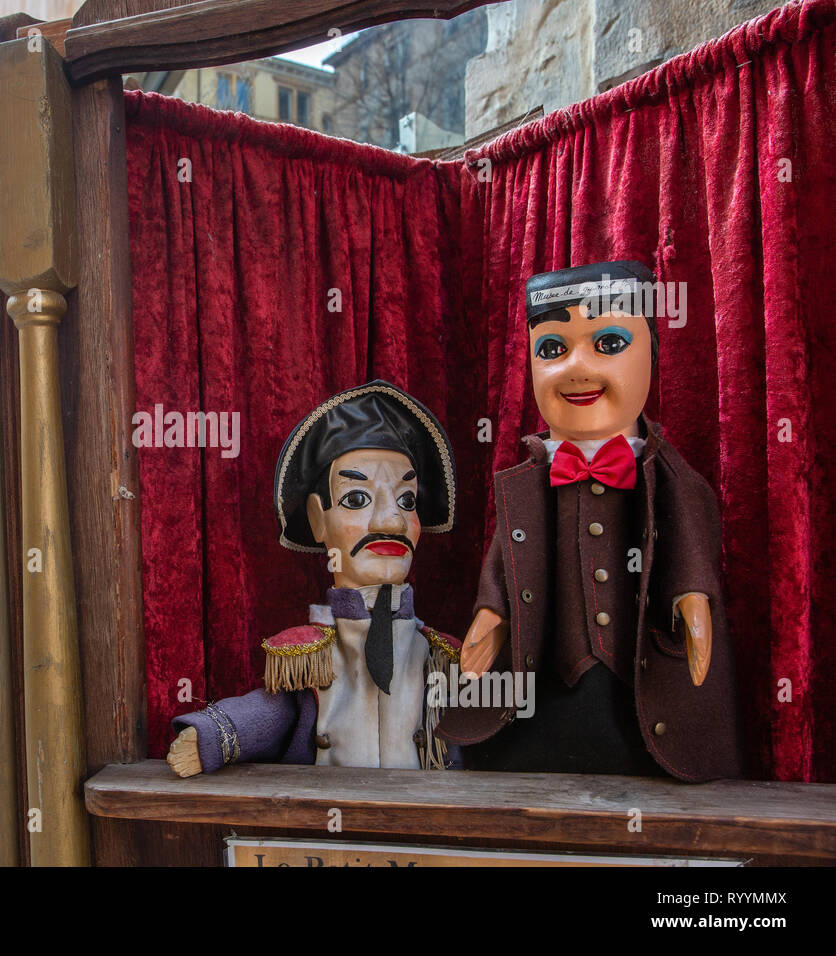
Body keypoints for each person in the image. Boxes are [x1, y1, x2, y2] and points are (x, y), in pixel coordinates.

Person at [439, 260, 744, 781]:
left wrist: (692, 597)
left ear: (650, 352)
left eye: (608, 343)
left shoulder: (664, 472)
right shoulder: (528, 478)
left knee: (633, 737)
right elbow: (506, 555)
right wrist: (492, 613)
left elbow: (690, 533)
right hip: (546, 674)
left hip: (638, 676)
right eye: (553, 349)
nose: (576, 369)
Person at [165, 380, 461, 776]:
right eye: (357, 499)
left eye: (406, 501)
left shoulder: (442, 658)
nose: (392, 520)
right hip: (325, 827)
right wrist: (214, 736)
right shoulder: (308, 655)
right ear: (318, 518)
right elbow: (274, 713)